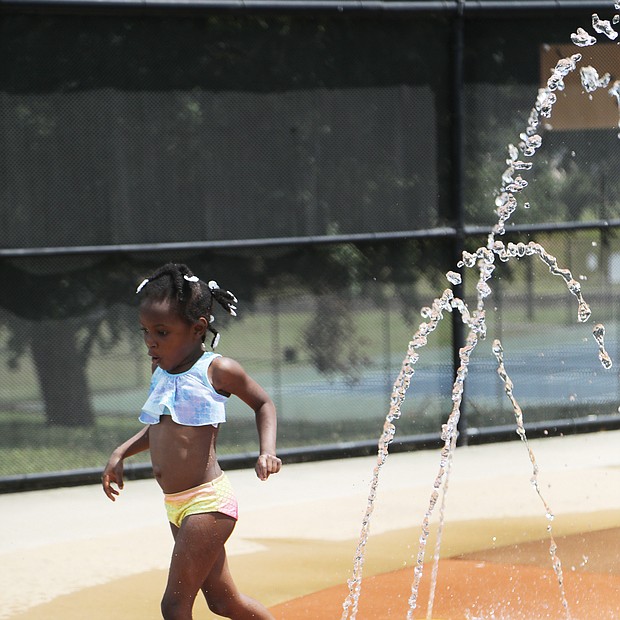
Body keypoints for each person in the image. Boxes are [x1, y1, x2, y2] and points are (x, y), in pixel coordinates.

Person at [102, 262, 281, 620]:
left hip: (207, 503)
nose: (151, 340)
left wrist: (267, 452)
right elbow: (159, 428)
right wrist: (121, 451)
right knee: (223, 601)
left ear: (198, 328)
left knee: (174, 604)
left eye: (162, 332)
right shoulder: (161, 371)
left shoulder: (217, 371)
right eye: (146, 331)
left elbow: (263, 403)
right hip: (176, 505)